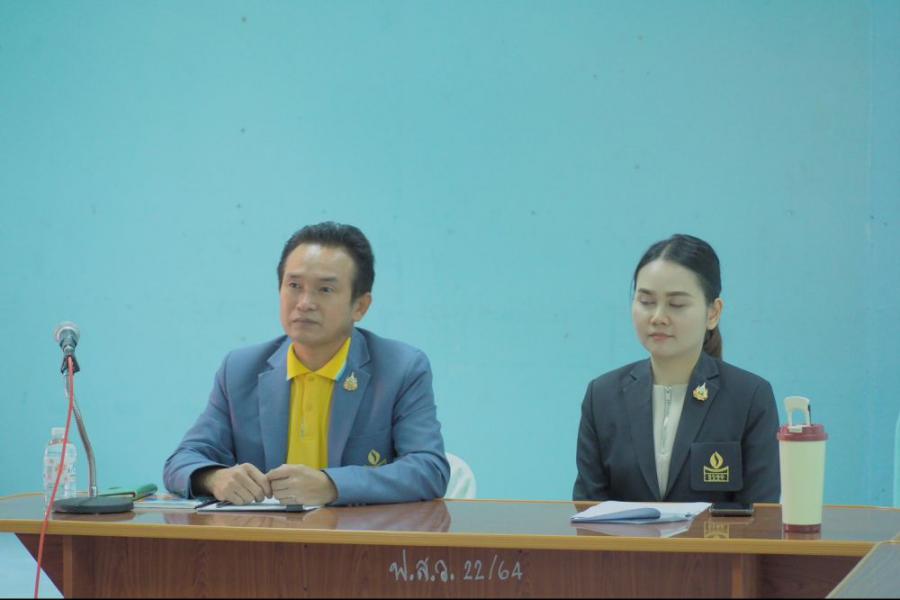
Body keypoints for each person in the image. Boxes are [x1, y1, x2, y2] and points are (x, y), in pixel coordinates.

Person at [164, 222, 449, 506]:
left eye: (325, 289)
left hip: (354, 532)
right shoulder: (240, 370)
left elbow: (429, 469)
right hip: (264, 533)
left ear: (360, 306)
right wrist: (213, 478)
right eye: (294, 286)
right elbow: (182, 460)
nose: (304, 303)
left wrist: (332, 485)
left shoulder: (400, 369)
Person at [573, 234, 779, 503]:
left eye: (677, 304)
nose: (658, 317)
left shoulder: (749, 397)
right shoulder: (602, 396)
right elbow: (588, 508)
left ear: (713, 313)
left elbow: (760, 512)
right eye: (646, 302)